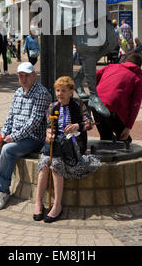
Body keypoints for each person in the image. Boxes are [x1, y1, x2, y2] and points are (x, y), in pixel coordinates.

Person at [0, 62, 52, 211]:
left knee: (8, 150)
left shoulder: (42, 93)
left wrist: (14, 137)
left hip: (33, 138)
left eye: (27, 75)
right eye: (21, 76)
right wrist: (2, 133)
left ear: (34, 76)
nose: (24, 79)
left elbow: (34, 122)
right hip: (14, 135)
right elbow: (11, 117)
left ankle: (2, 191)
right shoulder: (18, 92)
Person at [33, 76, 101, 223]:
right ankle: (38, 202)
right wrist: (49, 133)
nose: (60, 94)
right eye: (57, 90)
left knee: (55, 164)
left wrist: (78, 126)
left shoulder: (79, 104)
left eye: (63, 91)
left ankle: (57, 205)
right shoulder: (52, 107)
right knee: (45, 163)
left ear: (71, 92)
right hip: (56, 144)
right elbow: (48, 126)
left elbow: (89, 122)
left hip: (74, 144)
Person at [94, 53, 142, 142]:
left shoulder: (111, 67)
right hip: (112, 109)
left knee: (105, 138)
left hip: (96, 104)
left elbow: (93, 77)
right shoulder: (138, 79)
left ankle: (106, 155)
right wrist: (128, 127)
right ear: (140, 66)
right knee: (124, 140)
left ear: (126, 61)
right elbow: (135, 105)